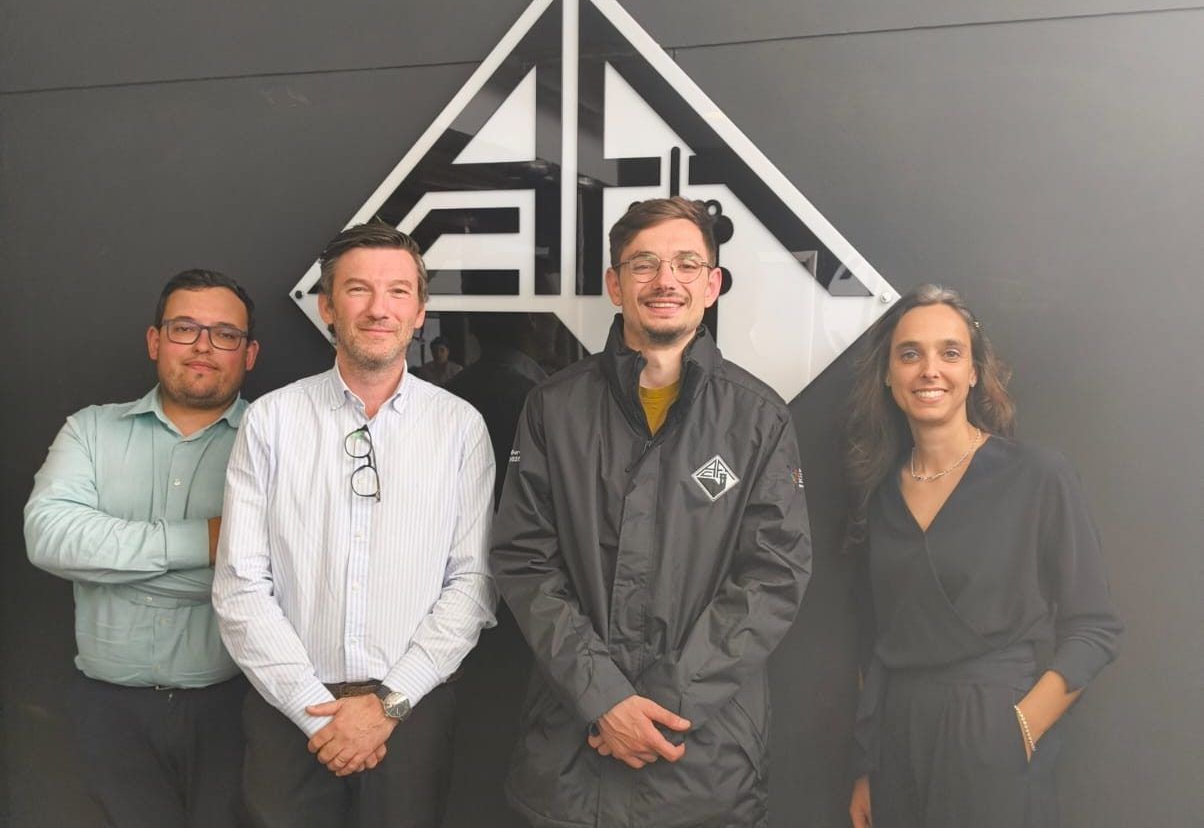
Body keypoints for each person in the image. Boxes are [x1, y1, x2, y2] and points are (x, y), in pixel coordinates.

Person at [491, 197, 812, 828]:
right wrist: (603, 698)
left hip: (703, 761)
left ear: (712, 285)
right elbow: (524, 562)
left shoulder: (758, 418)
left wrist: (662, 705)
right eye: (644, 264)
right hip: (571, 757)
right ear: (615, 284)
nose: (666, 280)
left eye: (686, 264)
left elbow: (773, 577)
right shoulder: (553, 409)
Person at [212, 221, 495, 828]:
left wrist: (387, 705)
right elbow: (239, 584)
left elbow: (472, 584)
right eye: (358, 289)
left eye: (398, 292)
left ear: (419, 313)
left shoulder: (460, 428)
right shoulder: (271, 420)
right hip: (288, 714)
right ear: (327, 307)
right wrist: (311, 708)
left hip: (411, 715)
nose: (378, 309)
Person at [844, 284, 1122, 828]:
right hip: (896, 743)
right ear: (888, 375)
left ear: (973, 372)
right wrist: (866, 765)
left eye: (950, 353)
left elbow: (1096, 627)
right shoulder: (878, 498)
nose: (930, 370)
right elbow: (875, 642)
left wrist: (1021, 727)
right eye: (910, 354)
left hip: (993, 733)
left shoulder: (1037, 475)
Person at [24, 269, 260, 827]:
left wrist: (106, 568)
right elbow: (50, 538)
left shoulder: (277, 439)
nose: (203, 346)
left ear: (249, 354)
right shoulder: (89, 431)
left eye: (225, 334)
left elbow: (283, 576)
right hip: (109, 714)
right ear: (156, 340)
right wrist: (208, 539)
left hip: (237, 710)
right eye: (185, 328)